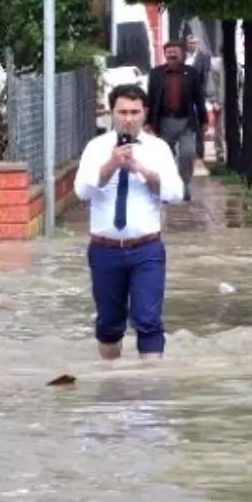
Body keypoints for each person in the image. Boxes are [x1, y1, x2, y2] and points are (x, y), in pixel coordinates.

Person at [73, 84, 185, 360]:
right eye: (122, 112)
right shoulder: (96, 147)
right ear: (112, 113)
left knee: (148, 321)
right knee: (109, 325)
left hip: (146, 248)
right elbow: (82, 191)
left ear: (144, 113)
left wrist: (141, 170)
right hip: (105, 248)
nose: (129, 118)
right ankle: (112, 386)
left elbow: (175, 193)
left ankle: (150, 392)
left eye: (135, 112)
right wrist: (112, 164)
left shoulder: (158, 149)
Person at [147, 42, 207, 201]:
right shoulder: (155, 73)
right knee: (165, 157)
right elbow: (150, 99)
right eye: (169, 52)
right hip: (163, 122)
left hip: (186, 122)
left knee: (187, 153)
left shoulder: (191, 73)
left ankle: (184, 184)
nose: (172, 55)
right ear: (165, 54)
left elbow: (199, 99)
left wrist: (204, 120)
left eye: (175, 52)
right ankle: (167, 188)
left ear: (181, 54)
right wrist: (147, 122)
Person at [185, 35, 213, 159]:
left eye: (194, 42)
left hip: (197, 96)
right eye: (190, 43)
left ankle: (199, 152)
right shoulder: (183, 57)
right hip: (184, 96)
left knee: (198, 125)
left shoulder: (204, 57)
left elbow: (206, 77)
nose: (192, 45)